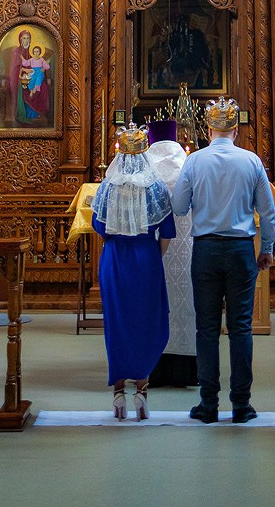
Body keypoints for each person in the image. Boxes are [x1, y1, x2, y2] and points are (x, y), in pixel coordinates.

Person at [172, 97, 275, 424]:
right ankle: (242, 405)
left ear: (208, 127)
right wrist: (267, 249)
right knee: (241, 328)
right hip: (241, 250)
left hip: (205, 250)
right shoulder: (251, 161)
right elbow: (267, 212)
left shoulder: (194, 161)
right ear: (236, 128)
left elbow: (178, 207)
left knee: (206, 329)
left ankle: (208, 404)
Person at [91, 124, 175, 420]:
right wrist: (153, 254)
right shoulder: (156, 187)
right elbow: (167, 230)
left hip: (115, 258)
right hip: (146, 258)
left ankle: (117, 395)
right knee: (147, 321)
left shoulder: (107, 186)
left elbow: (99, 227)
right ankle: (142, 391)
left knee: (117, 322)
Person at [146, 119, 197, 388]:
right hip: (186, 249)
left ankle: (150, 369)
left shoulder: (142, 168)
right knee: (185, 305)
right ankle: (186, 371)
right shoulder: (188, 165)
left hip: (150, 251)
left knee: (153, 307)